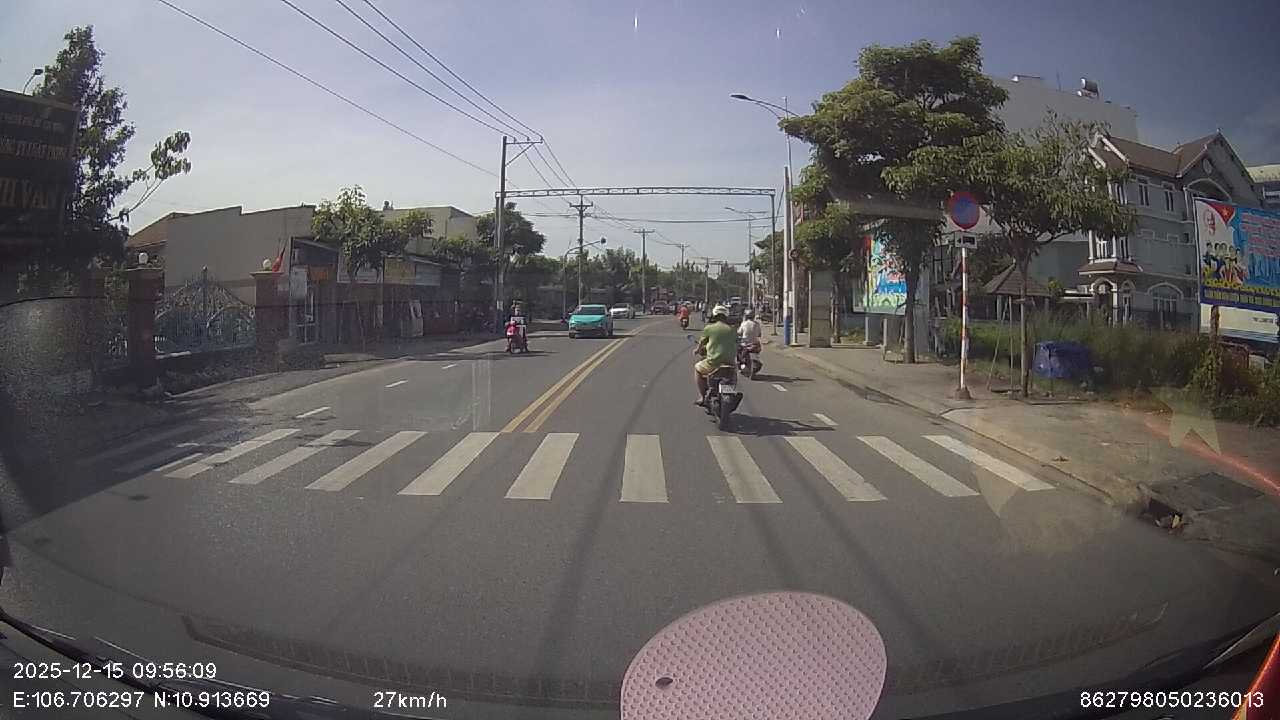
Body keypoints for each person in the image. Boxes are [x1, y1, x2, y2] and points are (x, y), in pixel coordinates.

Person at [694, 304, 737, 405]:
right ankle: (730, 392)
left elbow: (702, 342)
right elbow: (736, 343)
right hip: (730, 363)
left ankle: (702, 397)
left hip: (713, 363)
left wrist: (697, 350)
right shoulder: (732, 329)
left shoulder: (709, 328)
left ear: (714, 316)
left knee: (697, 369)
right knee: (733, 376)